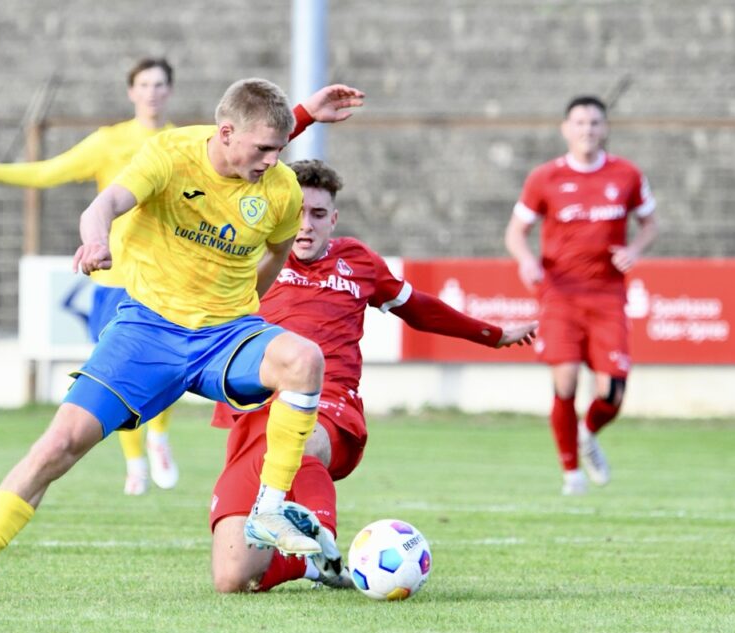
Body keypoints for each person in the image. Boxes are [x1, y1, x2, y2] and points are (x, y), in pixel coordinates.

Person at [0, 79, 367, 602]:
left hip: (225, 334)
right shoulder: (170, 156)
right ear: (225, 133)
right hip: (148, 331)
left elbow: (275, 254)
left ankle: (269, 509)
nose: (274, 160)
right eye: (265, 149)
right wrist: (95, 240)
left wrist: (244, 307)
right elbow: (103, 204)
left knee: (303, 358)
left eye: (279, 148)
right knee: (57, 445)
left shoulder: (281, 188)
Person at [208, 159, 538, 593]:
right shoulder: (250, 256)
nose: (305, 225)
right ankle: (312, 569)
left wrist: (492, 334)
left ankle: (322, 537)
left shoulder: (357, 261)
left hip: (329, 406)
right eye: (296, 213)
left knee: (304, 433)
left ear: (334, 219)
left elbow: (418, 307)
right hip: (254, 414)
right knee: (232, 578)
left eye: (318, 215)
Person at [0, 57, 181, 496]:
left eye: (159, 84)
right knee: (118, 375)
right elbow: (49, 171)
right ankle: (135, 464)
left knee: (167, 369)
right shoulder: (110, 142)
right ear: (132, 92)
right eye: (144, 84)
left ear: (170, 91)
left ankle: (160, 437)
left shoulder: (182, 144)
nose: (152, 92)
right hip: (114, 280)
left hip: (164, 278)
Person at [504, 95, 658, 496]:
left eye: (594, 123)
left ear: (604, 128)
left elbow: (650, 223)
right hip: (560, 294)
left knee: (612, 393)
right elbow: (515, 232)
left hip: (608, 295)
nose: (587, 130)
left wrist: (634, 251)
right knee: (566, 380)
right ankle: (571, 473)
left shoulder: (626, 174)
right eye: (579, 123)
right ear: (565, 129)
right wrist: (526, 261)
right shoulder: (545, 178)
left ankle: (588, 433)